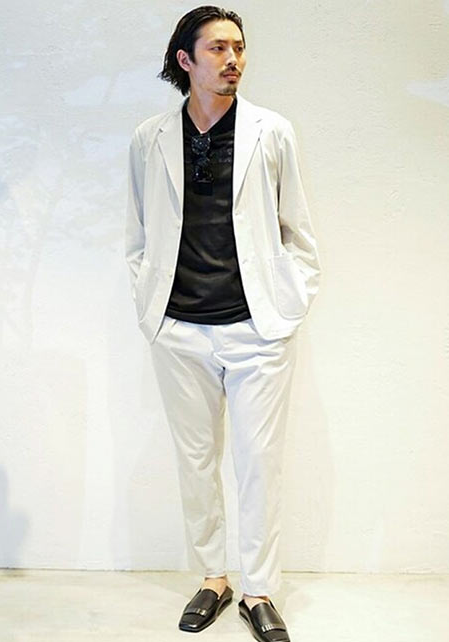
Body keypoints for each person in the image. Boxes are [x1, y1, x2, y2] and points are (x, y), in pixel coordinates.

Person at [125, 6, 321, 641]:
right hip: (179, 328)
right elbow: (138, 235)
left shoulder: (272, 132)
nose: (233, 59)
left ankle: (258, 590)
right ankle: (214, 578)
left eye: (238, 47)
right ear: (185, 60)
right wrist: (151, 307)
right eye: (217, 48)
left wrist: (290, 306)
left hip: (256, 329)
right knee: (196, 459)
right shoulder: (150, 138)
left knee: (259, 461)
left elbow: (298, 233)